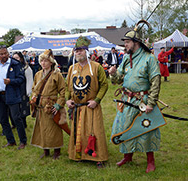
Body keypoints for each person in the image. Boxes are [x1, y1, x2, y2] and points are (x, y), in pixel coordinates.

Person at [108, 20, 161, 173]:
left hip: (142, 101)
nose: (125, 45)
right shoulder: (126, 58)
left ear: (135, 42)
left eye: (127, 42)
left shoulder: (149, 58)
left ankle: (150, 161)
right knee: (126, 128)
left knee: (146, 130)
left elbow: (156, 81)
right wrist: (113, 74)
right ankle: (127, 156)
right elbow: (119, 79)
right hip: (126, 100)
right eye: (124, 42)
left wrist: (151, 102)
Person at [66, 36, 109, 169]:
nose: (78, 53)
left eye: (81, 50)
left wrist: (96, 101)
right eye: (76, 50)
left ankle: (99, 158)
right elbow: (69, 87)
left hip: (91, 107)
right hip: (77, 108)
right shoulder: (71, 69)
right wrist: (68, 100)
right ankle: (79, 155)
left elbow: (104, 85)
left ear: (87, 51)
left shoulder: (97, 67)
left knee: (95, 131)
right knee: (79, 132)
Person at [0, 45, 27, 149]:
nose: (4, 56)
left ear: (8, 53)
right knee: (3, 119)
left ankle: (23, 141)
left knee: (16, 118)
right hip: (0, 95)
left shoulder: (15, 64)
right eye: (1, 54)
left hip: (12, 95)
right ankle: (10, 141)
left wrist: (11, 81)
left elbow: (22, 79)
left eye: (5, 53)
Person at [30, 49, 66, 160]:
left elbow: (63, 92)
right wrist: (34, 97)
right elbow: (34, 88)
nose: (43, 63)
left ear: (51, 62)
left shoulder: (57, 75)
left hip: (51, 107)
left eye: (46, 61)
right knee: (42, 130)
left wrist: (58, 105)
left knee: (53, 130)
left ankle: (57, 151)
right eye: (42, 61)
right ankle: (46, 151)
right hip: (41, 107)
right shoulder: (38, 74)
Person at [12, 52, 33, 128]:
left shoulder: (26, 67)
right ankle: (15, 123)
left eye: (17, 58)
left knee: (23, 107)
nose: (15, 59)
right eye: (14, 58)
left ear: (21, 58)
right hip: (14, 89)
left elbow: (30, 79)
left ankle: (24, 124)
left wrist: (28, 91)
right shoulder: (12, 67)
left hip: (23, 89)